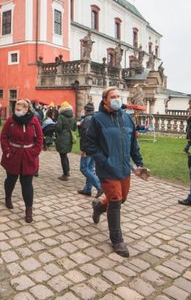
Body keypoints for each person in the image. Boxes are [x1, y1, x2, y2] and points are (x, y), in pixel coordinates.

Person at [83, 87, 145, 257]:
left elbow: (133, 144)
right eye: (113, 96)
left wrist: (139, 163)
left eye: (118, 96)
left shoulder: (127, 118)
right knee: (116, 201)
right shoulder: (97, 119)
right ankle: (117, 240)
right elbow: (89, 144)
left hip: (125, 168)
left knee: (121, 198)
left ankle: (99, 206)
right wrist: (104, 160)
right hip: (107, 169)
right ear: (105, 100)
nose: (117, 99)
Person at [0, 100, 43, 223]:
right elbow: (3, 136)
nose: (17, 111)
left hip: (28, 156)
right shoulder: (11, 120)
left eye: (19, 109)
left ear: (26, 109)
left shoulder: (34, 121)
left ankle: (28, 209)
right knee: (10, 180)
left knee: (27, 183)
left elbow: (39, 138)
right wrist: (7, 151)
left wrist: (34, 153)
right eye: (16, 109)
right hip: (13, 155)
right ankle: (8, 197)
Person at [78, 102, 103, 198]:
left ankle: (99, 186)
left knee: (84, 168)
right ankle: (87, 189)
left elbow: (85, 136)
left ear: (86, 110)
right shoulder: (96, 118)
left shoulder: (87, 120)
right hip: (96, 148)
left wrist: (84, 149)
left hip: (89, 148)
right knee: (90, 169)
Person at [55, 101, 76, 181]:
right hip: (69, 137)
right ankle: (68, 171)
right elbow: (74, 128)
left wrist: (57, 130)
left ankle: (65, 174)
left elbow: (58, 127)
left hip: (62, 137)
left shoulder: (61, 116)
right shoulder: (72, 116)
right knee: (65, 155)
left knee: (62, 156)